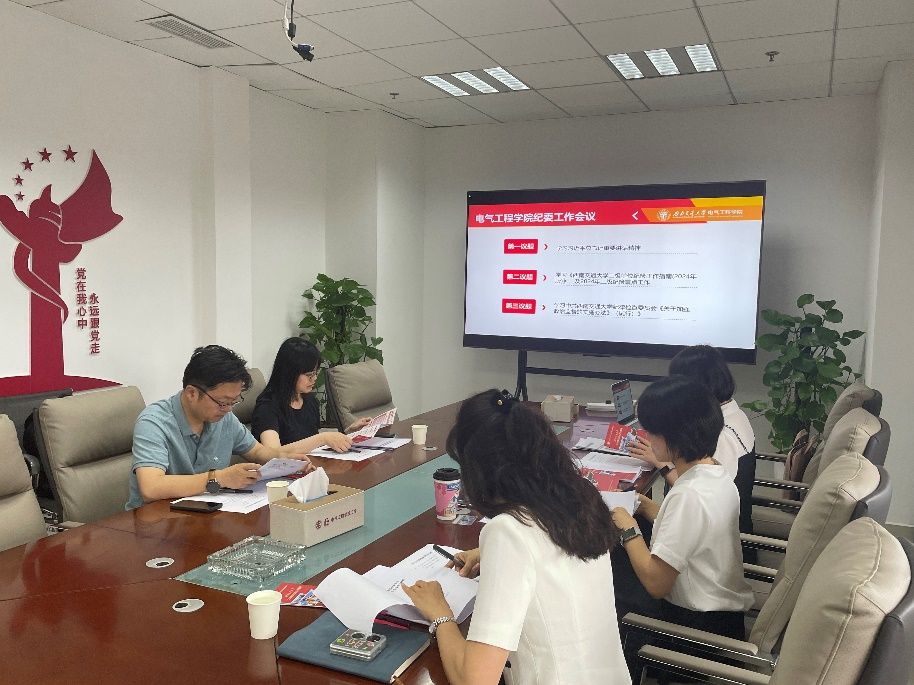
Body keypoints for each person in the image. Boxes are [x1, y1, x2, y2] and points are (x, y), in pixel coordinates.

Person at [401, 389, 631, 685]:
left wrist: (440, 614)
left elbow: (475, 681)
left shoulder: (508, 531)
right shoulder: (580, 499)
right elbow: (549, 556)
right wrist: (492, 555)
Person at [611, 376, 754, 640]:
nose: (647, 437)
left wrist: (629, 529)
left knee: (608, 566)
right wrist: (644, 505)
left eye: (651, 432)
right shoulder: (715, 473)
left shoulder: (689, 495)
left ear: (673, 438)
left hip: (693, 629)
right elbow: (688, 530)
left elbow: (656, 583)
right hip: (722, 615)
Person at [126, 345, 313, 509]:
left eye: (234, 402)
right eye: (223, 402)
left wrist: (286, 460)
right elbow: (151, 488)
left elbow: (257, 452)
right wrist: (219, 478)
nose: (228, 409)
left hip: (206, 512)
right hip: (155, 521)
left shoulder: (224, 417)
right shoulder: (154, 422)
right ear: (191, 393)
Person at [630, 344, 756, 537]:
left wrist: (661, 462)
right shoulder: (732, 414)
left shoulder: (720, 436)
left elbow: (699, 499)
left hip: (714, 536)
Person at [251, 337, 370, 454]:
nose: (315, 378)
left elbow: (312, 443)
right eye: (309, 375)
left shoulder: (309, 400)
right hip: (286, 466)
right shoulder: (267, 406)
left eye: (316, 373)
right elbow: (272, 452)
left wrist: (348, 433)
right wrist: (323, 438)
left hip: (311, 463)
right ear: (289, 373)